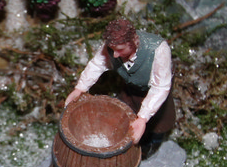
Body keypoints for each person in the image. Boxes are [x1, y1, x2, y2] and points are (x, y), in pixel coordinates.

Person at [65, 17, 174, 154]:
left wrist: (143, 118)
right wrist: (80, 88)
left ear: (133, 41)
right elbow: (97, 65)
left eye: (120, 50)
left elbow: (160, 87)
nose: (115, 55)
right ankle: (124, 138)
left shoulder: (158, 50)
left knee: (159, 121)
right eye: (113, 50)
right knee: (124, 109)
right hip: (132, 87)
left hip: (156, 90)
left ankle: (152, 143)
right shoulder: (113, 45)